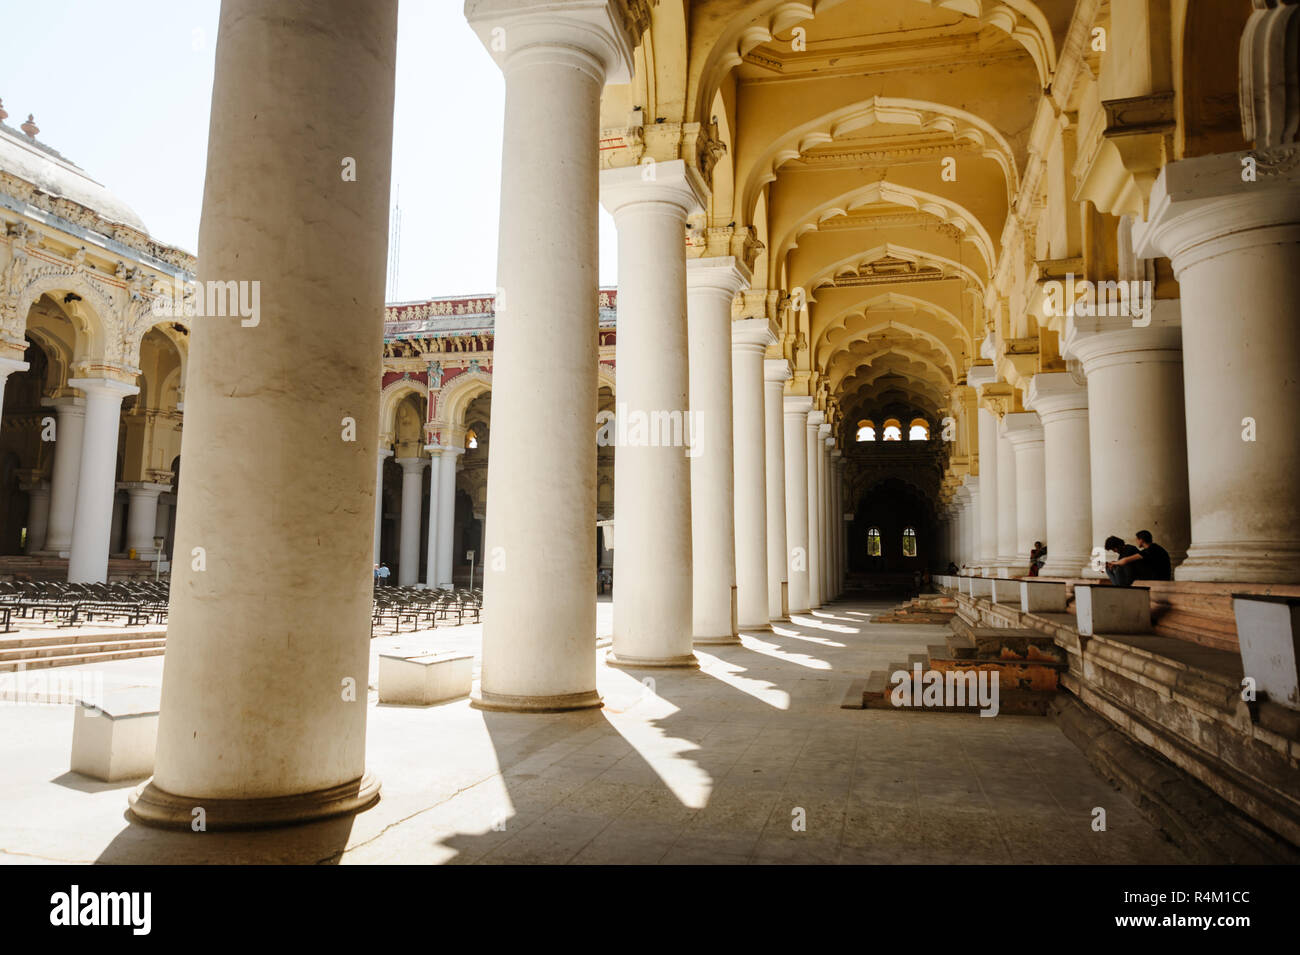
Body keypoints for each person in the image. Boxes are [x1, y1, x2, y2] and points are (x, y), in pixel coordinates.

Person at [1106, 530, 1171, 586]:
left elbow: (1125, 560)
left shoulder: (1150, 549)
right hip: (1157, 576)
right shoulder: (1152, 548)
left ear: (1141, 540)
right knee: (1113, 568)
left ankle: (1120, 587)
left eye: (1137, 539)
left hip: (1158, 578)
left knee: (1117, 568)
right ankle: (1118, 587)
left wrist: (1113, 563)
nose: (1136, 541)